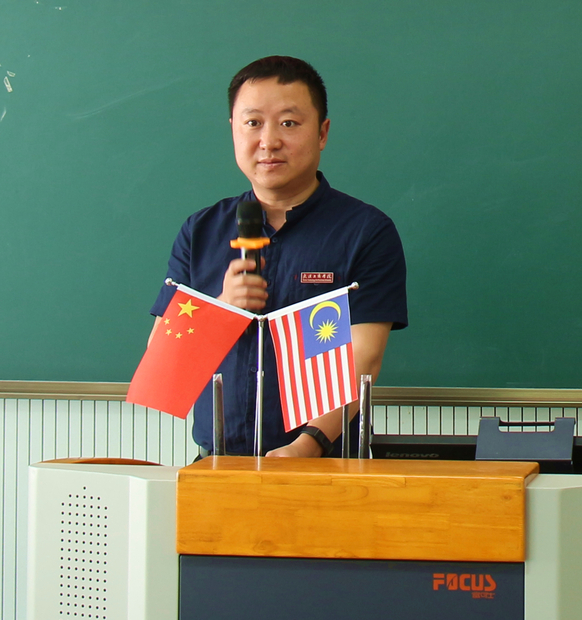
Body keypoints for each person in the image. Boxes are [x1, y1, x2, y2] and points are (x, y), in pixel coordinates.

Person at [149, 56, 408, 457]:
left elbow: (364, 358)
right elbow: (164, 359)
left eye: (288, 123)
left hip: (323, 464)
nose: (268, 141)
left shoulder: (365, 232)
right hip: (217, 465)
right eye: (253, 123)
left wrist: (308, 445)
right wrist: (221, 308)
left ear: (322, 133)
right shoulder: (200, 231)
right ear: (233, 130)